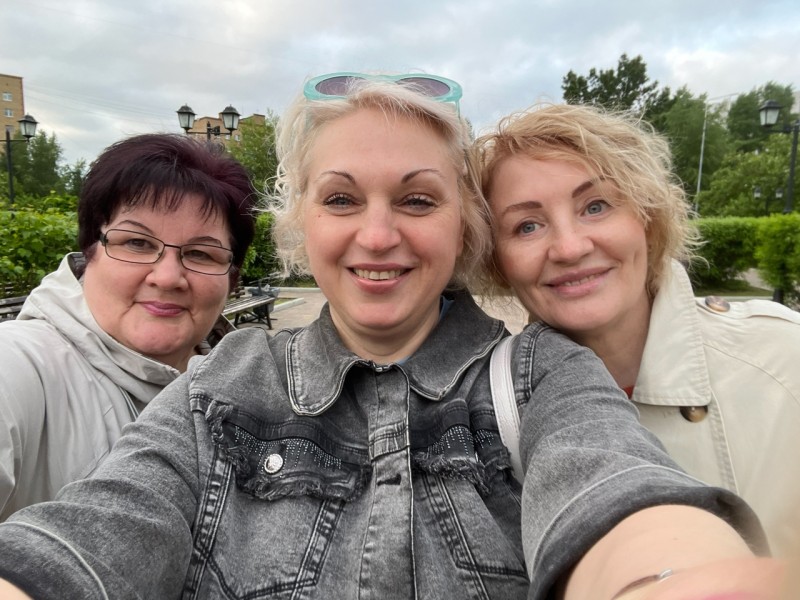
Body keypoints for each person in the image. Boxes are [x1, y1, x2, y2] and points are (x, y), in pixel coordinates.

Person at [0, 74, 784, 600]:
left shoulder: (541, 375)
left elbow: (617, 498)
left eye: (416, 200)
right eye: (342, 200)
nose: (377, 236)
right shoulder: (221, 386)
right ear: (301, 225)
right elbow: (92, 534)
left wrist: (671, 576)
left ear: (464, 227)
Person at [475, 102, 800, 557]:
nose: (569, 247)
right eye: (527, 226)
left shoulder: (784, 360)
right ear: (498, 261)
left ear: (648, 217)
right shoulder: (482, 412)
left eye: (595, 206)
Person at [0, 133, 256, 519]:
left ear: (231, 278)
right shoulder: (21, 365)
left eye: (201, 253)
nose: (167, 277)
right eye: (137, 243)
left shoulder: (248, 385)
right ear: (90, 252)